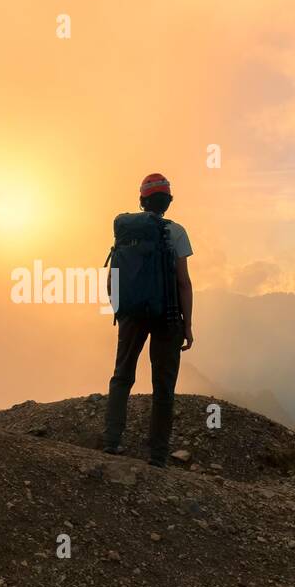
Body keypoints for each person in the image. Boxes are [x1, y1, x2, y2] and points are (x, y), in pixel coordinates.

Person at [102, 172, 193, 467]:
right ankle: (157, 456)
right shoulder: (176, 232)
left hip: (131, 313)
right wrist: (188, 325)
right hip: (167, 316)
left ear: (142, 200)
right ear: (168, 201)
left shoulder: (127, 232)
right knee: (163, 387)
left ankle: (112, 441)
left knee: (122, 375)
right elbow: (183, 283)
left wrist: (121, 309)